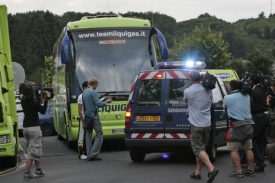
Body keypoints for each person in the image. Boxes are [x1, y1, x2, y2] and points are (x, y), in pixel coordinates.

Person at [184, 70, 219, 183]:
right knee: (201, 149)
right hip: (207, 124)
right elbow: (210, 102)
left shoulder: (188, 91)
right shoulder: (208, 90)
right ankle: (197, 172)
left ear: (190, 79)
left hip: (196, 124)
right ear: (200, 79)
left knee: (197, 149)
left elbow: (185, 101)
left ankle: (211, 169)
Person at [223, 80, 255, 178]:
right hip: (249, 124)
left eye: (228, 86)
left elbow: (225, 108)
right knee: (248, 148)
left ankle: (239, 171)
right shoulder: (247, 96)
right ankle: (251, 169)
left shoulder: (227, 97)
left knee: (233, 149)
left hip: (236, 125)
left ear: (231, 87)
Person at [21, 82, 51, 179]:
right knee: (33, 151)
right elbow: (42, 110)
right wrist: (46, 100)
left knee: (34, 148)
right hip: (34, 128)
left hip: (25, 128)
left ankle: (38, 170)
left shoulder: (23, 99)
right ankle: (27, 172)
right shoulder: (34, 101)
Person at [83, 77, 112, 161]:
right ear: (94, 84)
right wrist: (107, 102)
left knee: (88, 136)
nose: (97, 86)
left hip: (87, 116)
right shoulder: (93, 92)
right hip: (94, 116)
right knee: (99, 134)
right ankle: (94, 154)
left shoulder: (84, 92)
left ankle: (89, 155)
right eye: (97, 84)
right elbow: (98, 104)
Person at [249, 73, 270, 171]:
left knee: (252, 140)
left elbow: (251, 103)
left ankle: (260, 161)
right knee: (260, 140)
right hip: (266, 115)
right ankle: (261, 160)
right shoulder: (264, 89)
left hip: (259, 117)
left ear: (251, 81)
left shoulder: (254, 91)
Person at [77, 81, 88, 160]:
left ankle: (87, 151)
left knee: (87, 136)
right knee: (82, 136)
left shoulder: (88, 95)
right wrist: (82, 120)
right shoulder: (81, 97)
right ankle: (81, 153)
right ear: (84, 88)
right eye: (87, 87)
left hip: (88, 118)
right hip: (83, 119)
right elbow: (80, 110)